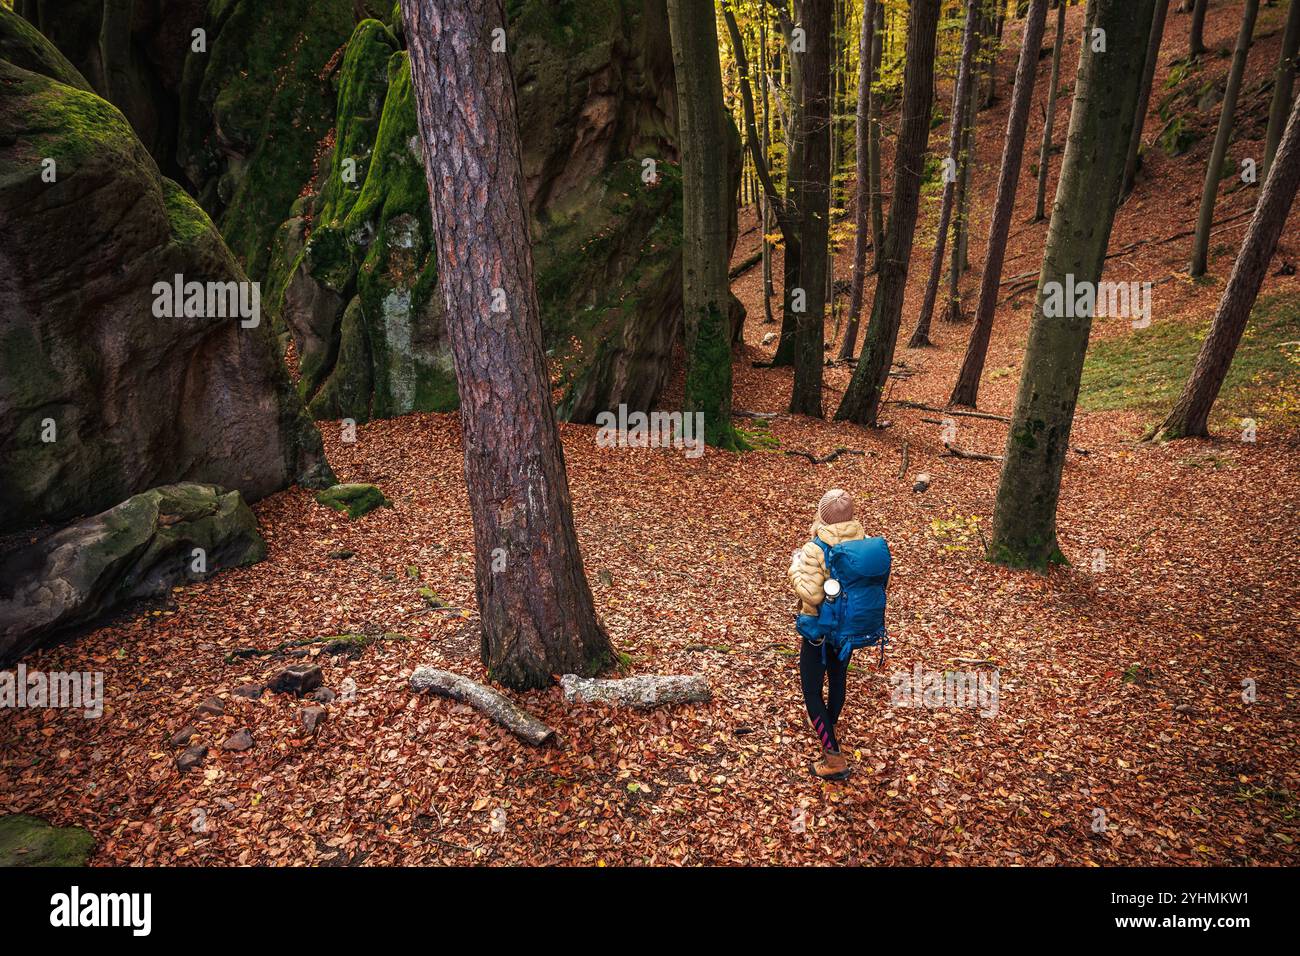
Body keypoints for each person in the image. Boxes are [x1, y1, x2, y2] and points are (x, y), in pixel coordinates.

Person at [788, 488, 867, 781]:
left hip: (818, 629)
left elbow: (810, 592)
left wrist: (795, 568)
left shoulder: (816, 547)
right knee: (837, 678)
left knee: (811, 690)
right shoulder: (863, 542)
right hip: (848, 626)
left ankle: (833, 757)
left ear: (822, 514)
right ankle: (827, 725)